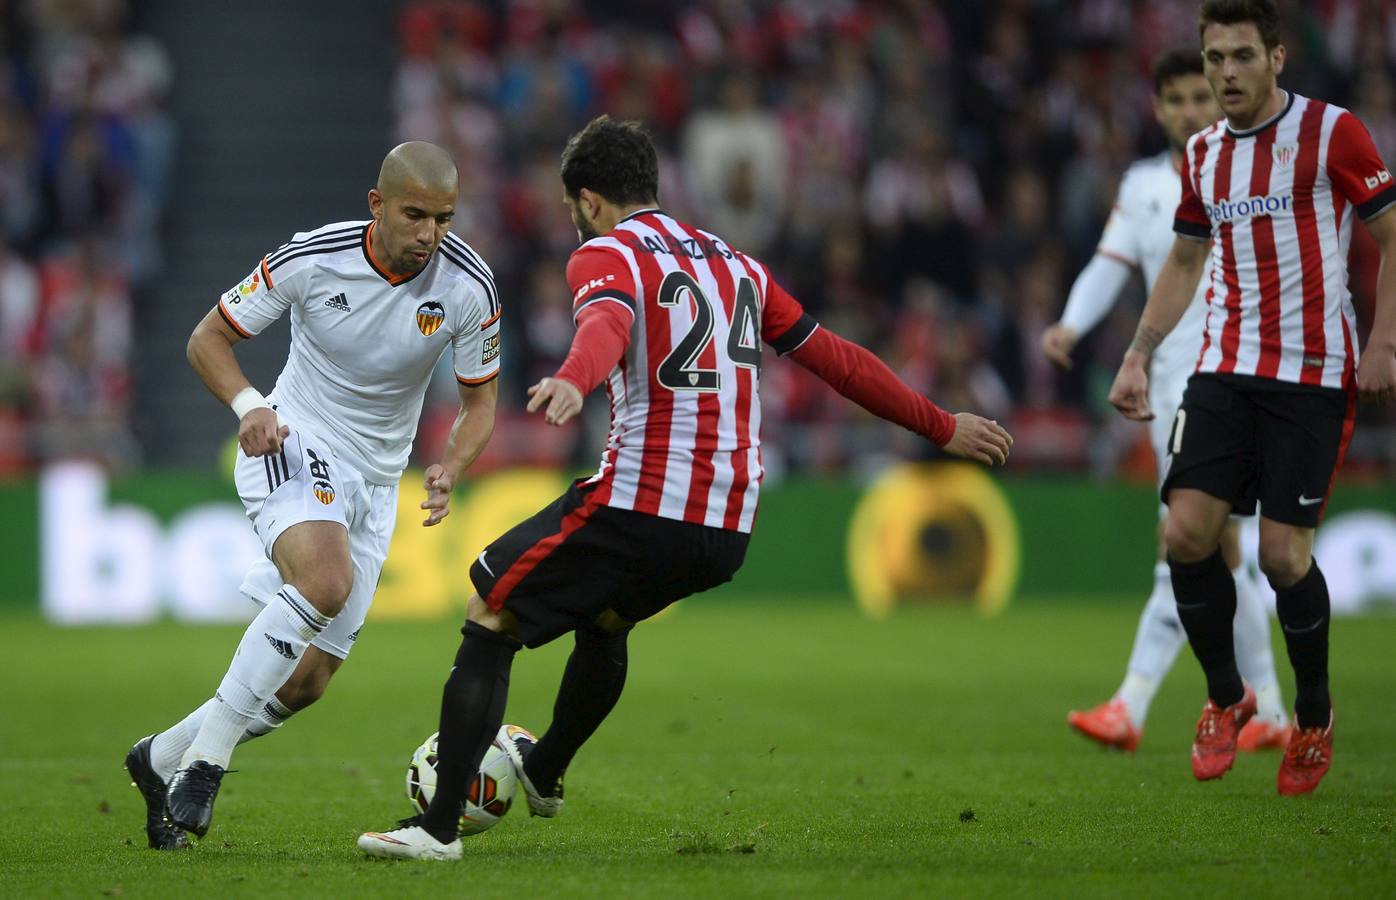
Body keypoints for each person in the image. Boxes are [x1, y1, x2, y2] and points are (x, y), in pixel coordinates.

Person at [356, 115, 1014, 860]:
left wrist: (574, 378)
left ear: (589, 200)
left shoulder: (606, 252)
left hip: (643, 499)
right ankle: (543, 771)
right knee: (606, 620)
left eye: (574, 208)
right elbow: (836, 358)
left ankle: (437, 829)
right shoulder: (739, 266)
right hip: (728, 527)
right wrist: (939, 425)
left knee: (491, 608)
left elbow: (607, 322)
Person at [122, 142, 502, 847]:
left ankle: (159, 758)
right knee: (325, 582)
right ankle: (206, 763)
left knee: (305, 684)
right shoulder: (312, 258)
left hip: (378, 483)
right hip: (296, 440)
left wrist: (452, 463)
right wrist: (249, 407)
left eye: (444, 218)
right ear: (377, 205)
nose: (430, 233)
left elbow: (480, 404)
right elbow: (207, 339)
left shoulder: (469, 287)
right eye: (415, 215)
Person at [1108, 0, 1396, 795]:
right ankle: (1227, 697)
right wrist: (1137, 355)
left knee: (1280, 558)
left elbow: (1391, 233)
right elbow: (1184, 260)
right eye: (1214, 58)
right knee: (1184, 535)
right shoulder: (1204, 153)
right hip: (1225, 368)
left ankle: (1313, 714)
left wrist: (1383, 341)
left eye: (1241, 56)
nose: (1226, 72)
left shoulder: (1332, 132)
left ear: (1276, 58)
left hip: (1311, 376)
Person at [1043, 49, 1291, 753]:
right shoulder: (1145, 184)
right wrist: (1071, 323)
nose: (1189, 111)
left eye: (1200, 97)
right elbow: (1109, 264)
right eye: (1176, 100)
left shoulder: (1258, 172)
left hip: (1238, 379)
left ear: (1221, 98)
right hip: (1172, 383)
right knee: (1219, 548)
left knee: (1184, 541)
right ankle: (1271, 709)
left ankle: (1132, 703)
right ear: (1157, 108)